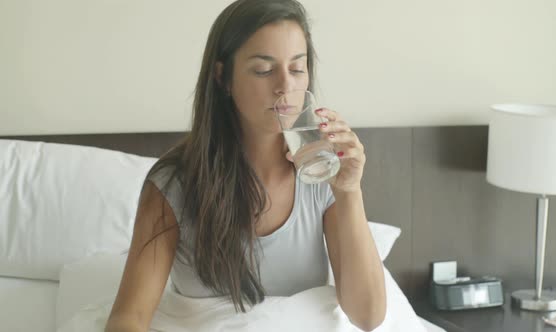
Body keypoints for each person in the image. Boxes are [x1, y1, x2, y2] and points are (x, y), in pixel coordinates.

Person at [105, 0, 385, 331]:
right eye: (264, 70)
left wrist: (349, 191)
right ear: (223, 78)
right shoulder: (173, 185)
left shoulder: (323, 173)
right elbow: (129, 318)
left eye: (297, 68)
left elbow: (367, 316)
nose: (285, 86)